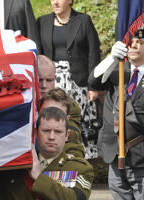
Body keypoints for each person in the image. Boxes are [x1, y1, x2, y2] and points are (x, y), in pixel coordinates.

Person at [89, 24, 144, 200]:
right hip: (116, 153)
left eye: (141, 42)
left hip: (143, 153)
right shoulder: (119, 71)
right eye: (131, 41)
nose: (134, 45)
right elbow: (92, 81)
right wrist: (110, 59)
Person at [37, 0, 101, 159]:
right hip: (51, 83)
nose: (55, 2)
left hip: (78, 84)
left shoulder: (83, 21)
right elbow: (37, 55)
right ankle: (53, 162)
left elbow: (94, 53)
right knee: (53, 123)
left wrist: (93, 86)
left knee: (77, 124)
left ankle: (78, 165)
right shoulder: (42, 22)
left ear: (70, 1)